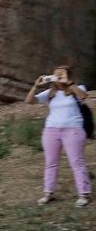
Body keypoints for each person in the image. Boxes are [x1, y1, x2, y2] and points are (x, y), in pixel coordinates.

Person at [25, 64, 90, 207]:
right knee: (51, 163)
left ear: (68, 75)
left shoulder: (76, 89)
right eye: (56, 74)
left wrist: (69, 83)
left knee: (76, 162)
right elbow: (29, 101)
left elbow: (84, 96)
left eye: (61, 74)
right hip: (51, 130)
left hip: (73, 129)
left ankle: (83, 194)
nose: (58, 77)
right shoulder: (50, 93)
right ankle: (48, 193)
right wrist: (36, 86)